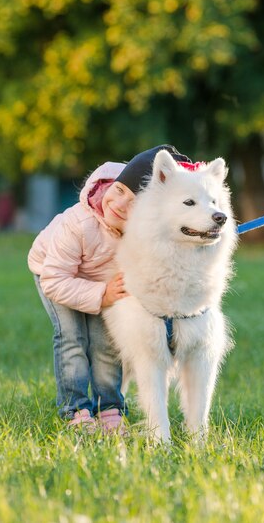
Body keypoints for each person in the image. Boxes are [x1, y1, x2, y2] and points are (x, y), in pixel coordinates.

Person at [27, 145, 191, 434]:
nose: (119, 204)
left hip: (105, 285)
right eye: (119, 191)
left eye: (134, 205)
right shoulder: (76, 225)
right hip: (56, 275)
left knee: (107, 342)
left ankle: (110, 409)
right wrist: (100, 295)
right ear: (111, 184)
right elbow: (55, 280)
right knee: (72, 339)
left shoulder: (142, 233)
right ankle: (75, 409)